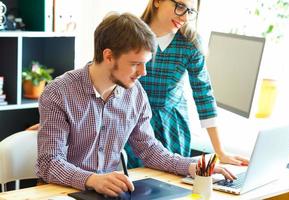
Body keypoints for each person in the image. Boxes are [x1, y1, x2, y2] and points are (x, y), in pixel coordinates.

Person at [36, 13, 236, 197]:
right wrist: (92, 180)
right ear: (108, 56)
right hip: (61, 192)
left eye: (145, 63)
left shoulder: (135, 93)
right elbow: (49, 163)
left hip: (107, 193)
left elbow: (149, 149)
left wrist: (193, 166)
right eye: (135, 64)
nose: (143, 72)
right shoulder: (58, 93)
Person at [125, 0, 249, 168]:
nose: (184, 16)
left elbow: (203, 95)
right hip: (131, 122)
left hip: (172, 126)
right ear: (157, 2)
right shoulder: (128, 33)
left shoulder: (190, 43)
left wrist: (220, 152)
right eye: (180, 6)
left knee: (171, 185)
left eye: (190, 11)